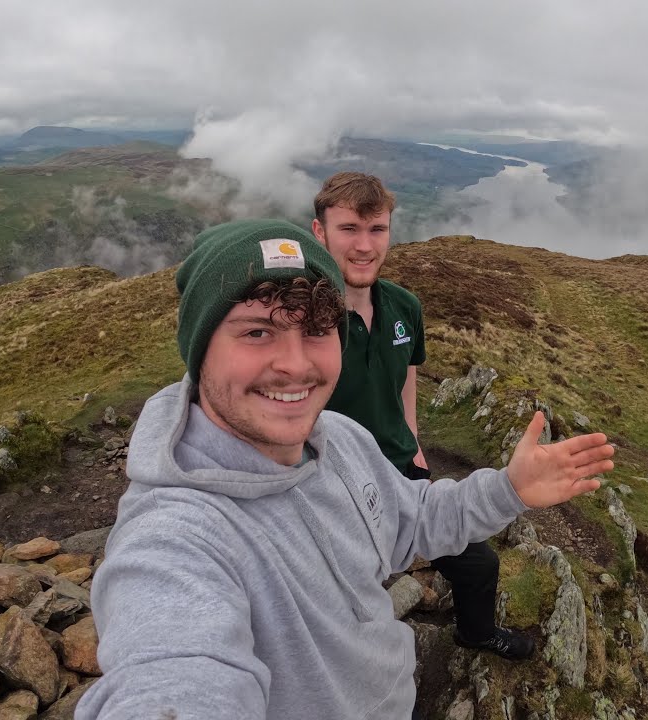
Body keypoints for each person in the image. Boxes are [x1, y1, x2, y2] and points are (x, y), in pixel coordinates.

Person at [76, 218, 614, 719]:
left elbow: (414, 522)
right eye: (256, 332)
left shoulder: (343, 440)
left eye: (315, 329)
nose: (295, 363)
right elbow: (172, 678)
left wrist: (509, 489)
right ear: (199, 351)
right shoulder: (174, 539)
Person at [312, 172, 532, 660]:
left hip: (400, 469)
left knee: (478, 566)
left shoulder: (403, 307)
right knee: (344, 612)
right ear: (319, 232)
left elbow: (406, 376)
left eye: (378, 229)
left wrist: (414, 446)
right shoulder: (304, 321)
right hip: (329, 488)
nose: (365, 246)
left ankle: (474, 633)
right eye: (349, 229)